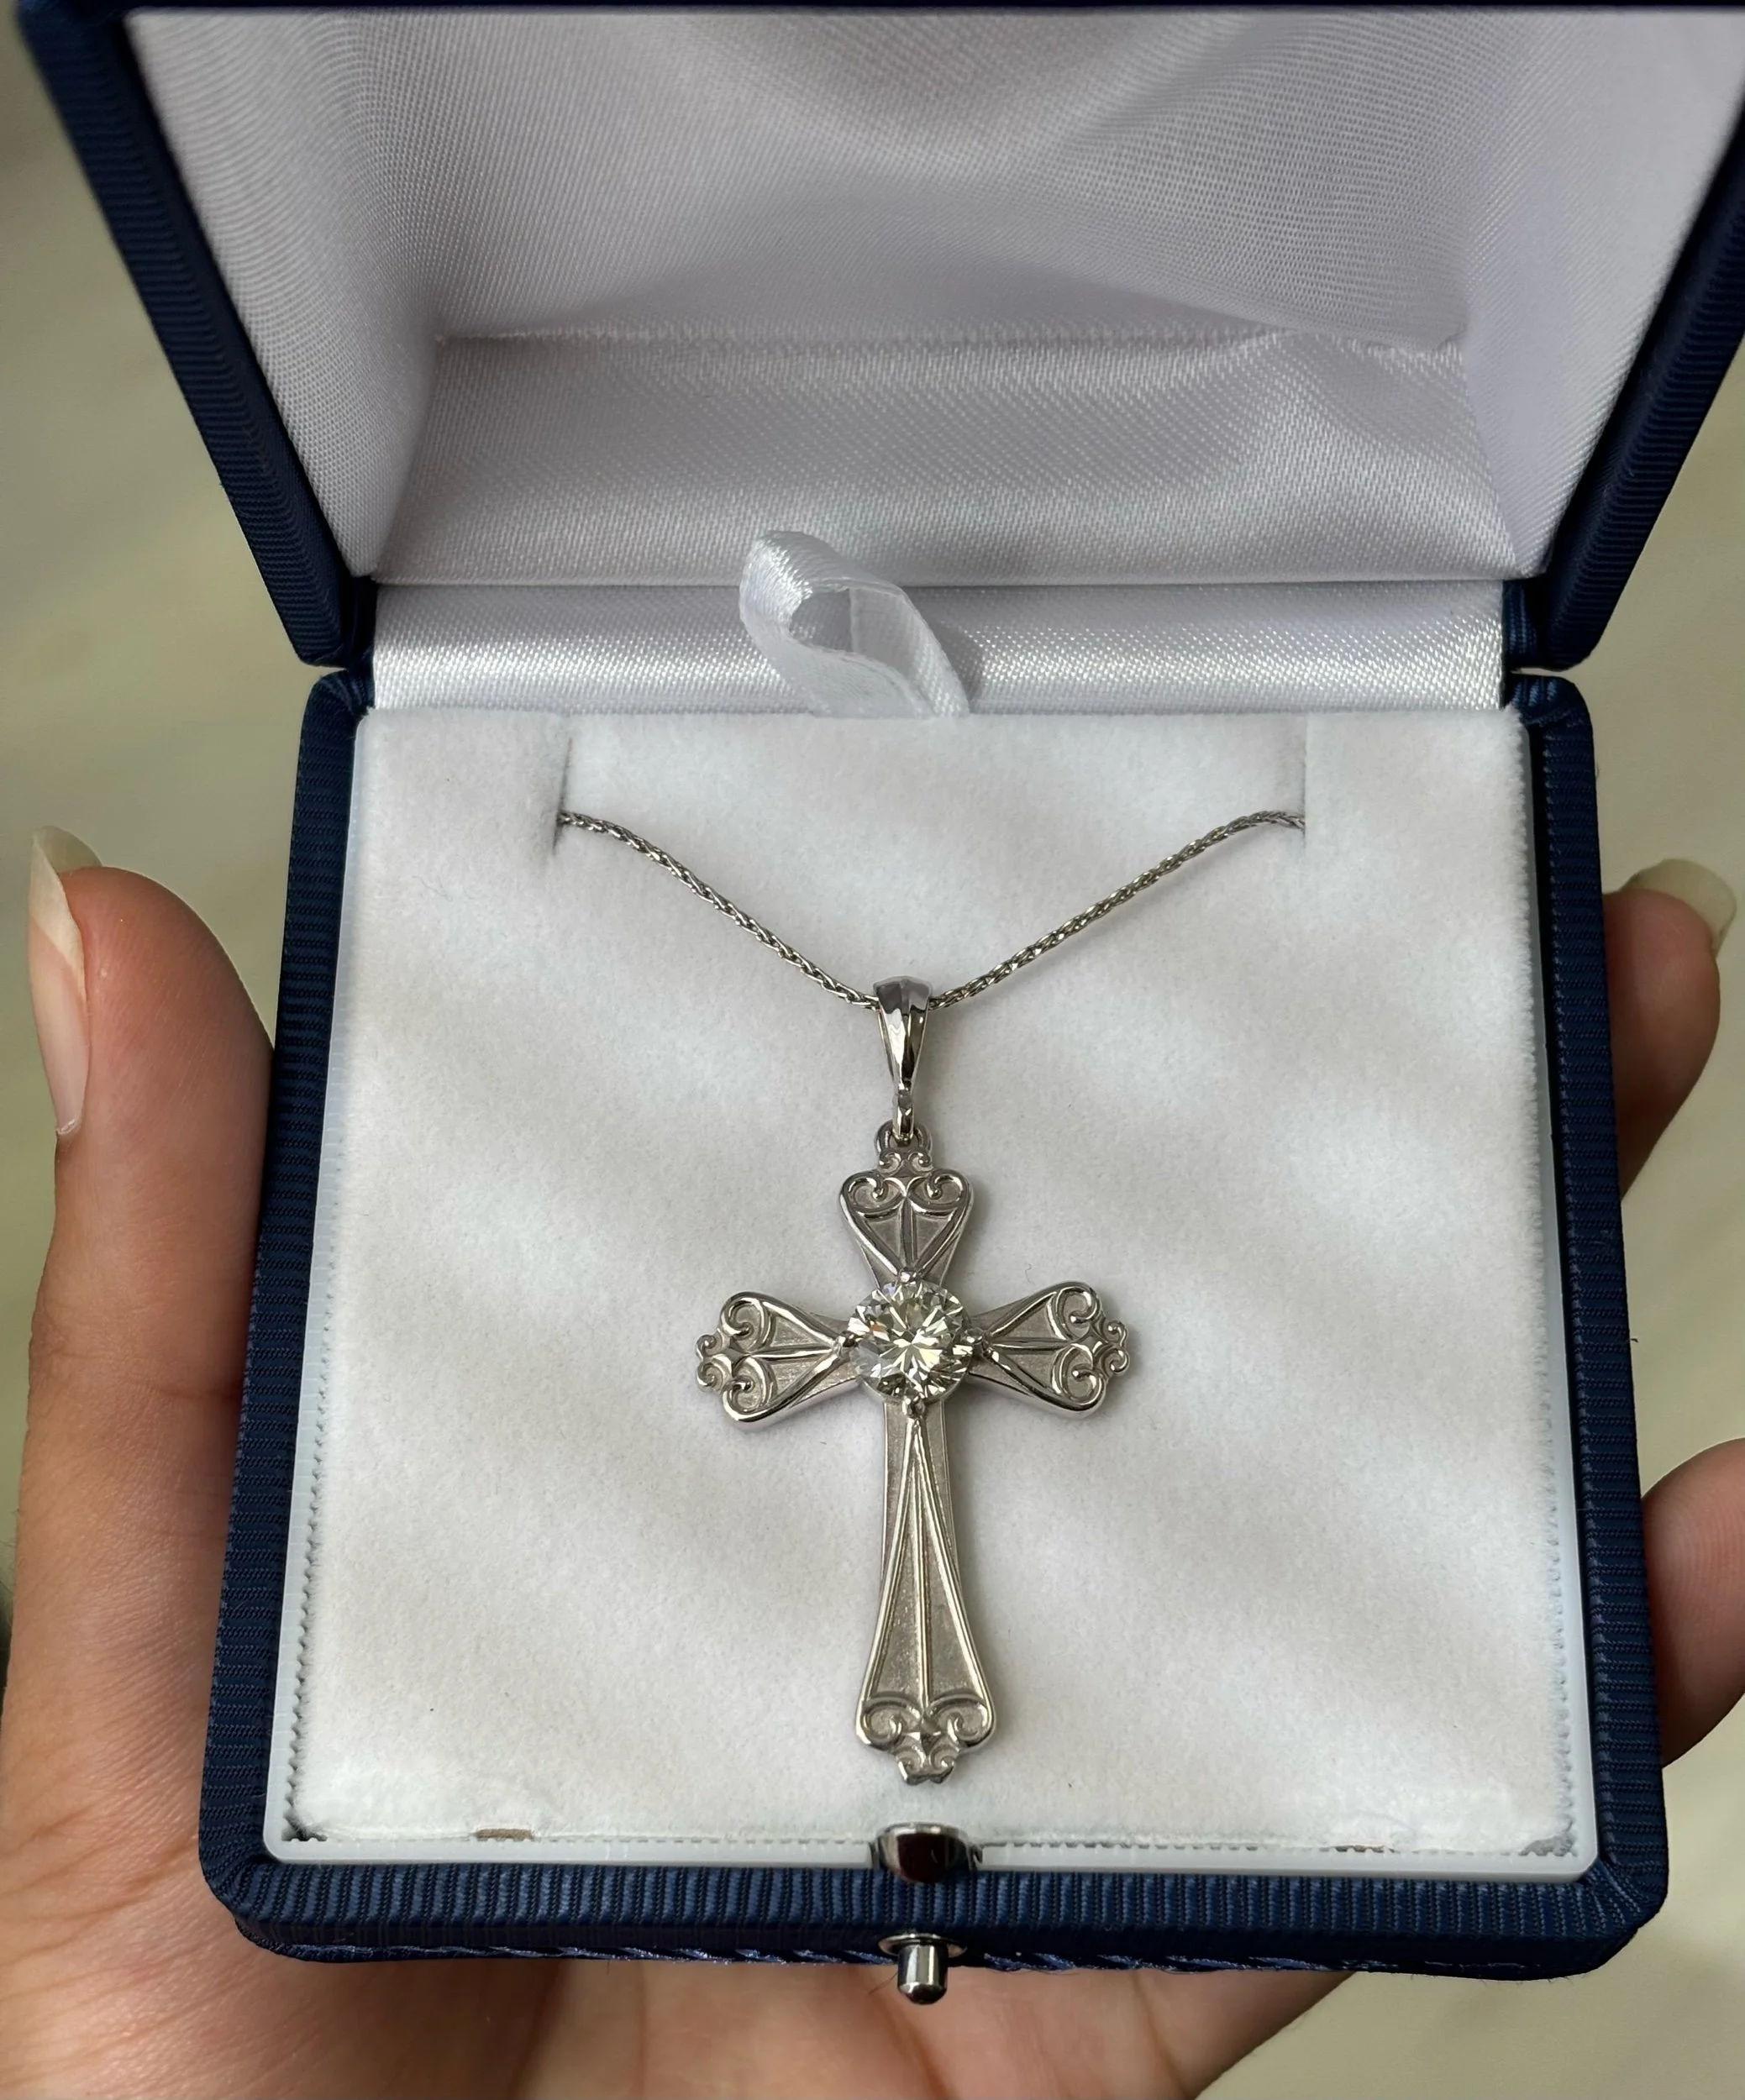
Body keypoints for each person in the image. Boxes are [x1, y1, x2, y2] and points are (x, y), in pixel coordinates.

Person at [0, 838, 1739, 2100]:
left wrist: (936, 1351)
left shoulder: (963, 1328)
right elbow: (777, 1352)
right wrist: (889, 1354)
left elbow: (1056, 1342)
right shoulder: (865, 1333)